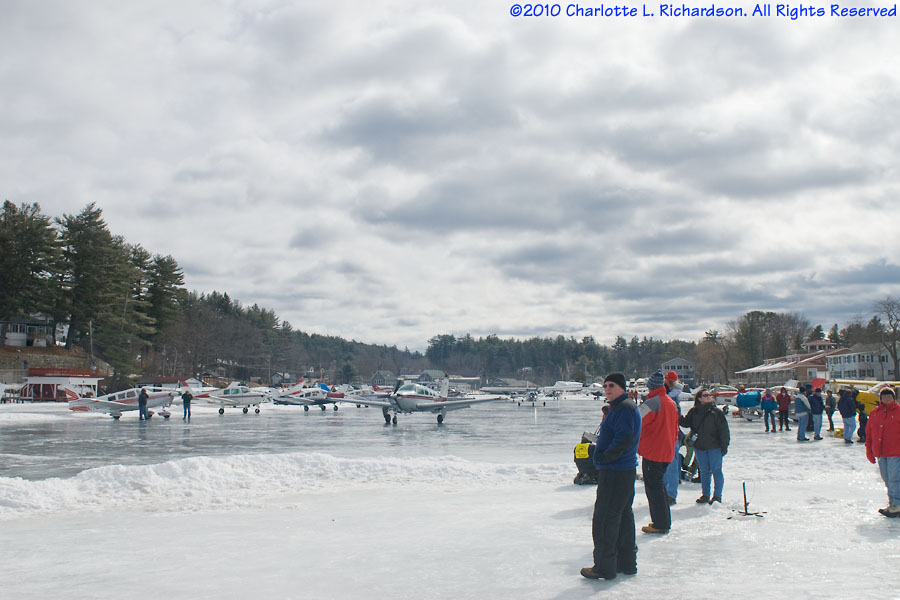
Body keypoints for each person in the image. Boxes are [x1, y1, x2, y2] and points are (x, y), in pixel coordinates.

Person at [581, 372, 641, 581]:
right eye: (605, 385)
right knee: (622, 516)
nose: (607, 389)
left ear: (622, 388)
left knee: (605, 519)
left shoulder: (624, 408)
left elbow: (624, 439)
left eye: (612, 385)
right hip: (621, 470)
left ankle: (604, 567)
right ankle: (626, 563)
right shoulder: (621, 407)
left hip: (616, 471)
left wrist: (605, 458)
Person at [637, 370, 679, 534]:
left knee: (654, 489)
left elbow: (637, 420)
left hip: (653, 451)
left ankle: (660, 523)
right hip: (666, 450)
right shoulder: (670, 402)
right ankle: (663, 521)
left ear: (650, 387)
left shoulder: (653, 403)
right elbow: (675, 428)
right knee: (659, 487)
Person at [680, 388, 730, 504]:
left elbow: (724, 430)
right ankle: (705, 495)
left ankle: (717, 496)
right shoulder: (694, 411)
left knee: (716, 471)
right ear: (699, 398)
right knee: (704, 472)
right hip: (700, 447)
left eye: (709, 395)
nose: (708, 397)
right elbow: (686, 423)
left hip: (714, 447)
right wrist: (677, 414)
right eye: (705, 395)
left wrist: (724, 446)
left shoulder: (716, 412)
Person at [865, 387, 900, 518]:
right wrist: (869, 449)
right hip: (881, 452)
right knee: (886, 478)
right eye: (884, 396)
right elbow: (869, 432)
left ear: (893, 398)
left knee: (894, 478)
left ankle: (897, 503)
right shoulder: (875, 413)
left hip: (895, 451)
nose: (886, 399)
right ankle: (893, 503)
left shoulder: (898, 411)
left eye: (889, 396)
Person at [662, 371, 684, 506]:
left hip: (672, 434)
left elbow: (677, 415)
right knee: (664, 465)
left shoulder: (674, 394)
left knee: (671, 465)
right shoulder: (665, 392)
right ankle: (665, 492)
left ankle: (671, 494)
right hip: (664, 434)